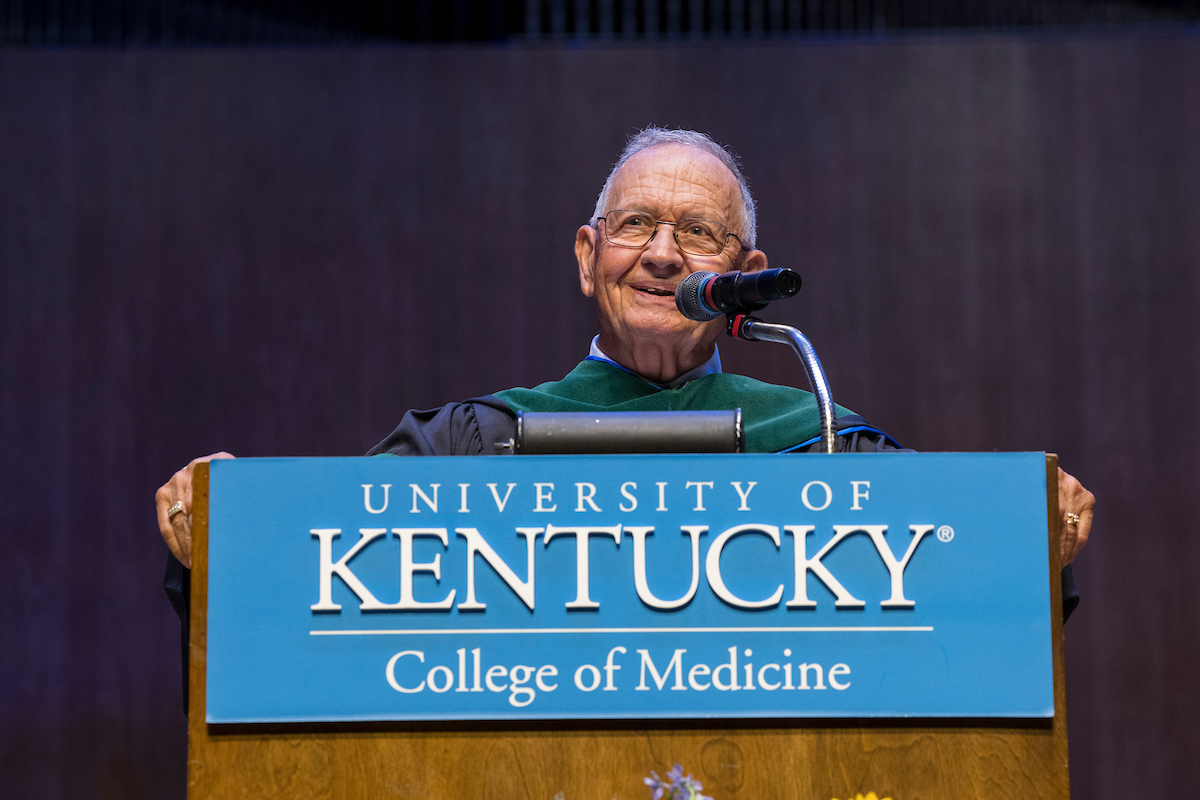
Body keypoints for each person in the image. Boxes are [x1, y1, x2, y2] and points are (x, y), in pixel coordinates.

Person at [157, 128, 1094, 647]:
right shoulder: (471, 444)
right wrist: (221, 534)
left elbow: (967, 613)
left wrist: (1034, 538)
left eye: (698, 234)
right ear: (587, 256)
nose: (660, 254)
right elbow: (305, 592)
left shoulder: (821, 442)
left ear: (746, 272)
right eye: (636, 224)